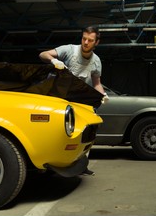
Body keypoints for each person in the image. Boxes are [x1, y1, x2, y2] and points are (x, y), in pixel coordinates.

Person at [39, 25, 108, 176]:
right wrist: (53, 61)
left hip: (81, 100)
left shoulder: (96, 61)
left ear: (96, 42)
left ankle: (81, 165)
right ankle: (53, 163)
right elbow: (43, 54)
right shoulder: (69, 50)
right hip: (62, 98)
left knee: (84, 133)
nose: (86, 42)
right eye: (84, 38)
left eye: (90, 40)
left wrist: (103, 94)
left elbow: (96, 83)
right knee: (60, 132)